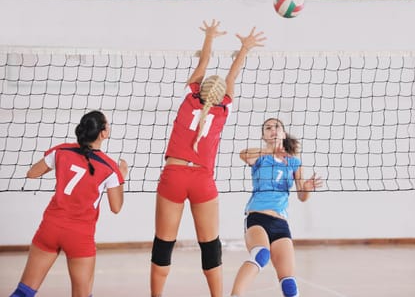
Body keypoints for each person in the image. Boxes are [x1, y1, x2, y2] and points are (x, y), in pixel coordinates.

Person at [150, 19, 266, 297]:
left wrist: (210, 37)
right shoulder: (222, 109)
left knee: (163, 244)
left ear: (199, 88)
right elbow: (232, 76)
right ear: (220, 95)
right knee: (210, 245)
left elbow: (204, 63)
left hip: (174, 175)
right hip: (202, 179)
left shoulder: (189, 99)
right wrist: (245, 47)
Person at [10, 110, 128, 297]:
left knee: (24, 292)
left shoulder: (61, 151)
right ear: (103, 133)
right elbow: (116, 208)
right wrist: (121, 177)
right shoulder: (110, 167)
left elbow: (31, 173)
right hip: (79, 235)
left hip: (50, 227)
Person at [230, 117, 323, 297]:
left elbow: (301, 196)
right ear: (264, 136)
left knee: (288, 281)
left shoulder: (294, 162)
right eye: (268, 128)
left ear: (283, 133)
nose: (273, 129)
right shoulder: (260, 158)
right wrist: (270, 151)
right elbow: (243, 154)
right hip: (257, 217)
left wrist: (307, 189)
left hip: (280, 223)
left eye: (277, 127)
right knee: (261, 255)